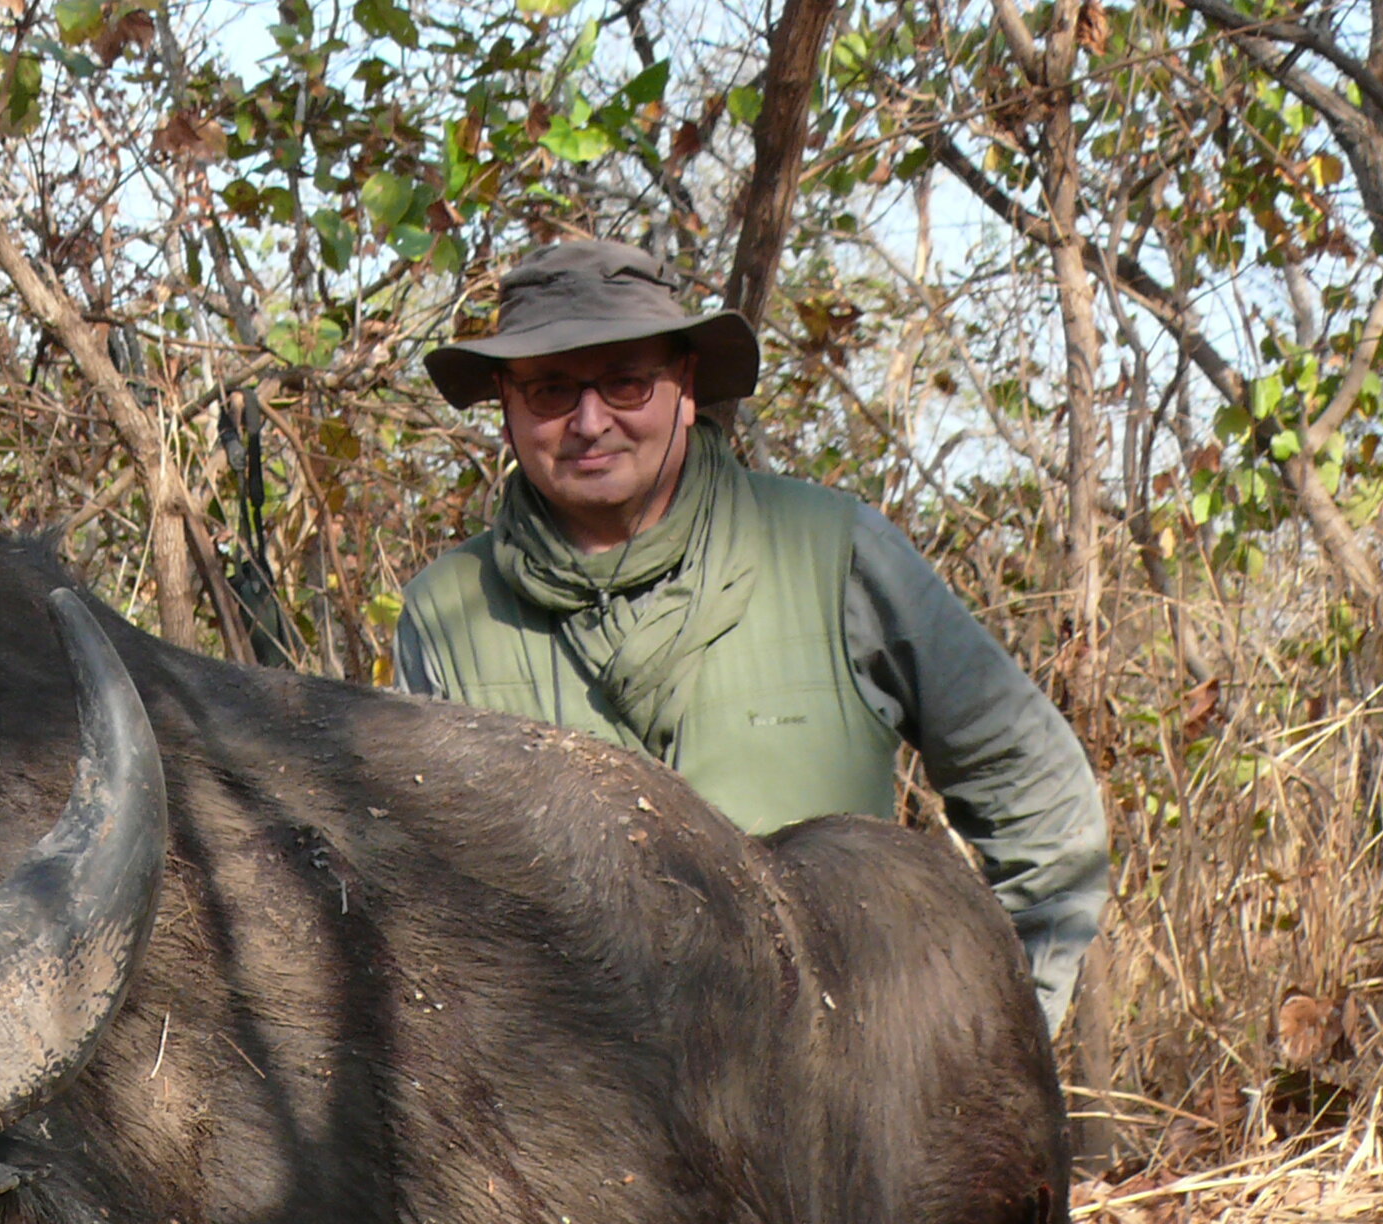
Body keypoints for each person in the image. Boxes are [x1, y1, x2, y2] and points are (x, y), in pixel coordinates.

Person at [395, 239, 1109, 1032]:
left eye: (627, 382)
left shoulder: (832, 552)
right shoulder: (447, 616)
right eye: (551, 390)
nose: (590, 422)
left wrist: (988, 1056)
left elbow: (1044, 805)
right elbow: (424, 917)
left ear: (687, 388)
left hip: (847, 1104)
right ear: (505, 406)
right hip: (578, 1124)